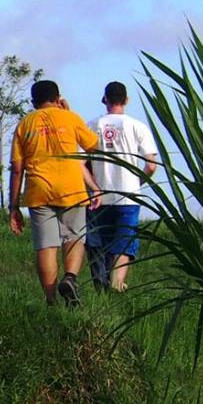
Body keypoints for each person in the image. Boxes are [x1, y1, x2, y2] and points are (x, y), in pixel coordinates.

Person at [7, 78, 103, 306]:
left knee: (46, 245)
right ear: (58, 98)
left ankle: (51, 301)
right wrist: (68, 114)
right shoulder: (70, 117)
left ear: (33, 102)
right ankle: (70, 278)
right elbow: (94, 146)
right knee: (74, 237)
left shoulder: (24, 124)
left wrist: (13, 207)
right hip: (71, 189)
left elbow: (17, 169)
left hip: (39, 191)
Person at [88, 80, 160, 291]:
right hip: (129, 194)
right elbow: (152, 165)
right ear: (126, 100)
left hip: (99, 193)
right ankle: (117, 283)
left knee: (99, 241)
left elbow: (80, 161)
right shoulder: (138, 126)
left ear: (105, 99)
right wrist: (138, 182)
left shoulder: (92, 125)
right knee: (124, 241)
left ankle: (101, 286)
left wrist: (93, 186)